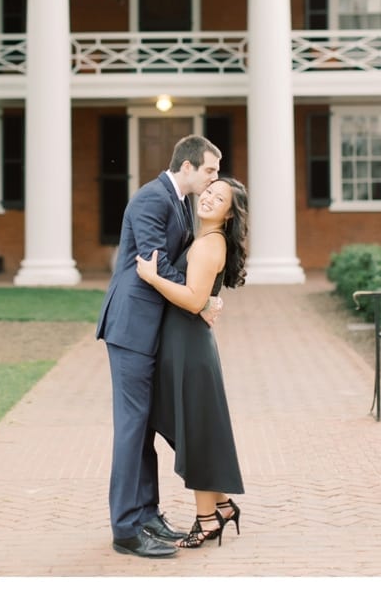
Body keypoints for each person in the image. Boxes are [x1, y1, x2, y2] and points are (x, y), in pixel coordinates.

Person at [95, 134, 221, 559]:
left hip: (152, 327)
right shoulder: (152, 198)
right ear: (186, 166)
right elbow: (155, 262)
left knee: (145, 426)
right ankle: (126, 529)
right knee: (132, 428)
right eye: (209, 170)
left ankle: (147, 513)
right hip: (131, 326)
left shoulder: (182, 201)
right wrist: (198, 302)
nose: (213, 178)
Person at [136, 176, 249, 548]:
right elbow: (203, 299)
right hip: (185, 344)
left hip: (189, 348)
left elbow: (192, 298)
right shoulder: (203, 239)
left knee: (196, 431)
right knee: (188, 425)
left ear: (230, 214)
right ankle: (222, 504)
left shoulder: (208, 245)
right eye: (210, 192)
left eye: (220, 199)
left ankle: (206, 521)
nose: (210, 198)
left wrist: (152, 278)